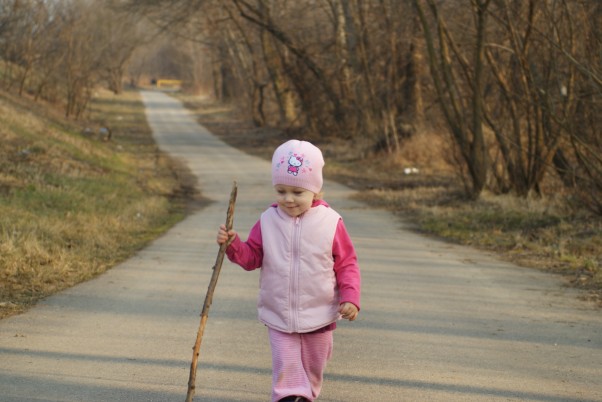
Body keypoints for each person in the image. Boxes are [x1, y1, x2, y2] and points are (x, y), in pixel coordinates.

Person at [216, 139, 361, 402]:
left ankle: (305, 396)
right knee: (286, 367)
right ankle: (287, 397)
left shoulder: (330, 223)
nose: (288, 199)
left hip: (320, 312)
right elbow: (252, 258)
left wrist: (350, 297)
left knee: (314, 367)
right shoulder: (268, 220)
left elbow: (347, 264)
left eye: (297, 192)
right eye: (281, 191)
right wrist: (233, 245)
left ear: (316, 191)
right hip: (279, 312)